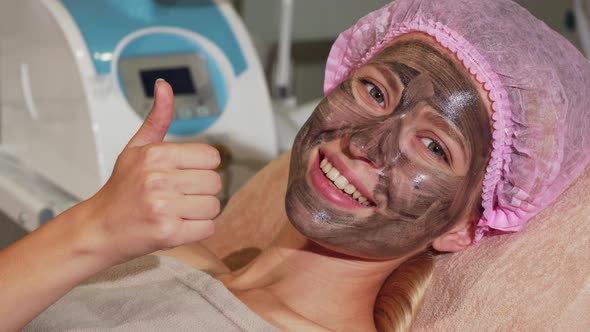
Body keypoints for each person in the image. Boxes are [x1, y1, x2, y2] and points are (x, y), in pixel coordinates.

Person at [2, 0, 589, 331]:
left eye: (434, 147)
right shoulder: (159, 253)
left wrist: (90, 234)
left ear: (465, 224)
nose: (368, 142)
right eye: (376, 92)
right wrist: (95, 227)